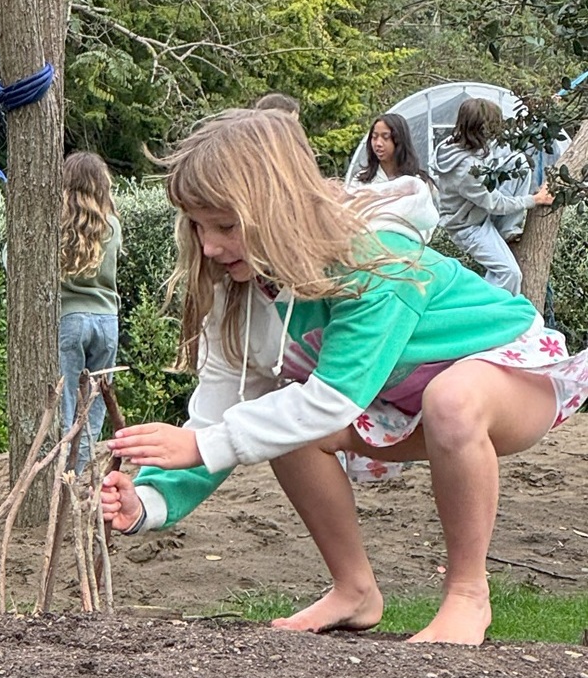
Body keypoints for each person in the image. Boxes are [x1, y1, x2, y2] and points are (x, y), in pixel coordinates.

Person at [101, 109, 588, 645]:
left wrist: (200, 446)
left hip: (511, 375)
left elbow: (332, 401)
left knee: (451, 397)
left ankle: (468, 596)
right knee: (282, 422)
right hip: (402, 403)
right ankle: (354, 590)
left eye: (225, 225)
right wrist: (150, 500)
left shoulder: (376, 258)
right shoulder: (238, 290)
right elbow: (221, 410)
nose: (210, 246)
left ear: (279, 208)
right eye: (198, 225)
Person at [432, 98, 552, 295]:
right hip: (468, 226)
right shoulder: (465, 170)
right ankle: (485, 310)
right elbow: (495, 204)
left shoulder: (457, 141)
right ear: (481, 131)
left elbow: (506, 144)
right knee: (510, 274)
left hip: (477, 210)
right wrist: (535, 200)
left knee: (519, 162)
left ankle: (507, 231)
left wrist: (541, 116)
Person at [59, 151, 122, 471]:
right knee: (93, 405)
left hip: (69, 320)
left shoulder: (56, 224)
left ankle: (59, 471)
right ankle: (80, 471)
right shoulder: (112, 225)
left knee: (65, 401)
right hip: (107, 322)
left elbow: (9, 258)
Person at [349, 112, 439, 240]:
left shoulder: (417, 184)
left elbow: (427, 226)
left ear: (399, 141)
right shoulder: (361, 181)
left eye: (385, 137)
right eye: (374, 137)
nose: (378, 143)